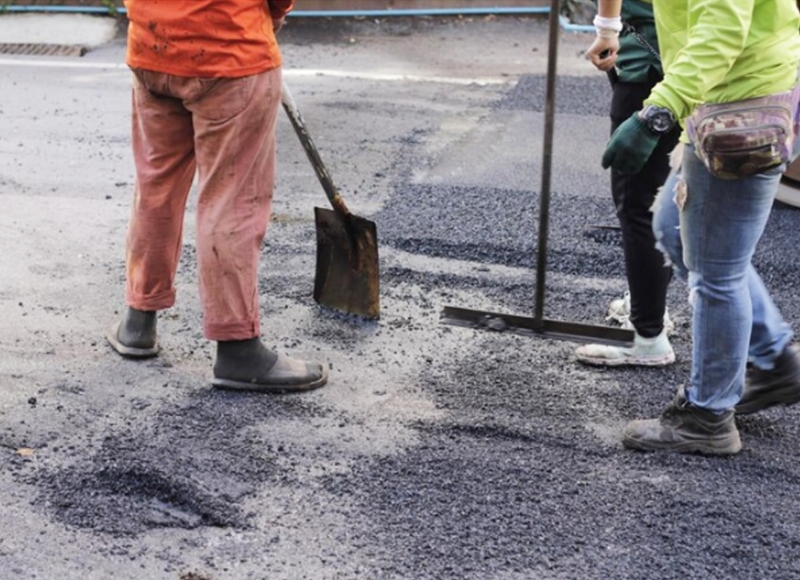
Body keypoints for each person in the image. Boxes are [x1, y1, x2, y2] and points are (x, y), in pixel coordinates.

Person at [601, 0, 800, 454]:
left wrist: (658, 112)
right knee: (674, 229)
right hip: (730, 91)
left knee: (717, 271)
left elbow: (722, 27)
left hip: (741, 103)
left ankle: (707, 416)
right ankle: (772, 359)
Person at [106, 0, 329, 394]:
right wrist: (271, 18)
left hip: (153, 50)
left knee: (156, 189)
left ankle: (138, 322)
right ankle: (238, 348)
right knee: (233, 201)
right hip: (230, 53)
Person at [577, 0, 680, 367]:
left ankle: (650, 334)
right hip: (700, 69)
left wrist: (607, 26)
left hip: (654, 66)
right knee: (678, 199)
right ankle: (649, 305)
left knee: (640, 204)